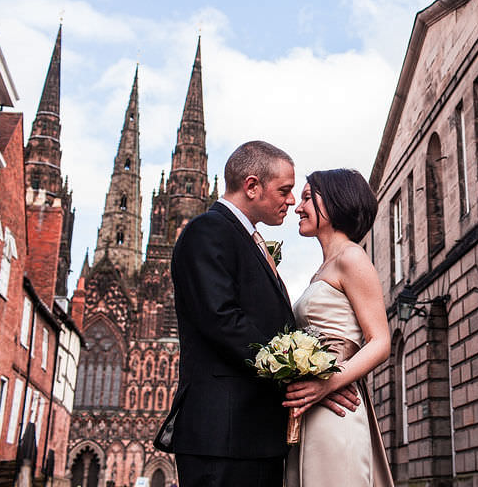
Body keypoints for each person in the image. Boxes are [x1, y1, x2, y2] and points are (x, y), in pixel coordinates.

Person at [153, 142, 357, 487]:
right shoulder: (208, 230)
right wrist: (302, 376)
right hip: (224, 435)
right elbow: (223, 320)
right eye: (284, 190)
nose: (291, 201)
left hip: (252, 435)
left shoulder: (246, 239)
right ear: (252, 186)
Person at [284, 168, 395, 487]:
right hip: (313, 404)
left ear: (334, 202)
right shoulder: (322, 269)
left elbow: (380, 341)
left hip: (336, 405)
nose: (298, 208)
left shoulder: (352, 257)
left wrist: (328, 382)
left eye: (307, 198)